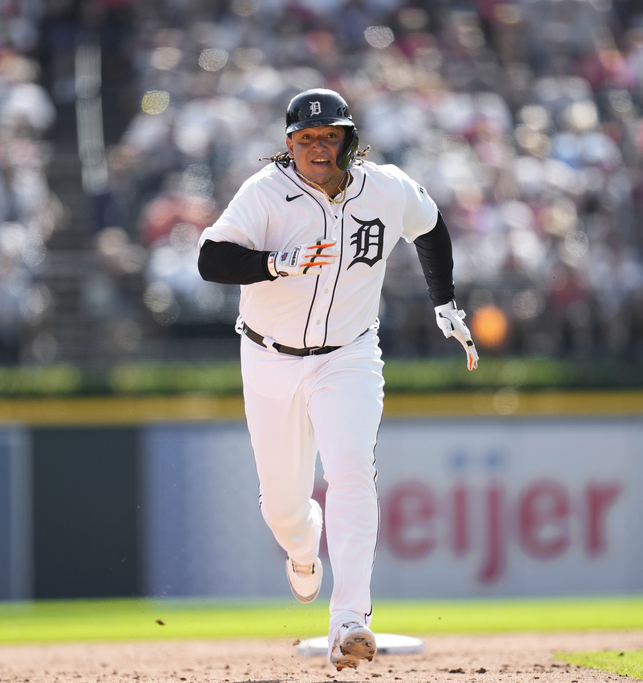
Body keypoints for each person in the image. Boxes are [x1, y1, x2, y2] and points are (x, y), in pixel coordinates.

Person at [196, 88, 478, 670]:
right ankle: (303, 552)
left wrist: (444, 303)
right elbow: (210, 259)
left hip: (349, 354)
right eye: (306, 139)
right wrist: (274, 263)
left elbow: (430, 227)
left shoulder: (387, 186)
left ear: (350, 139)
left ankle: (350, 618)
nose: (319, 148)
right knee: (282, 507)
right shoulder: (266, 192)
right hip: (269, 357)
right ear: (289, 145)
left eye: (330, 136)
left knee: (351, 469)